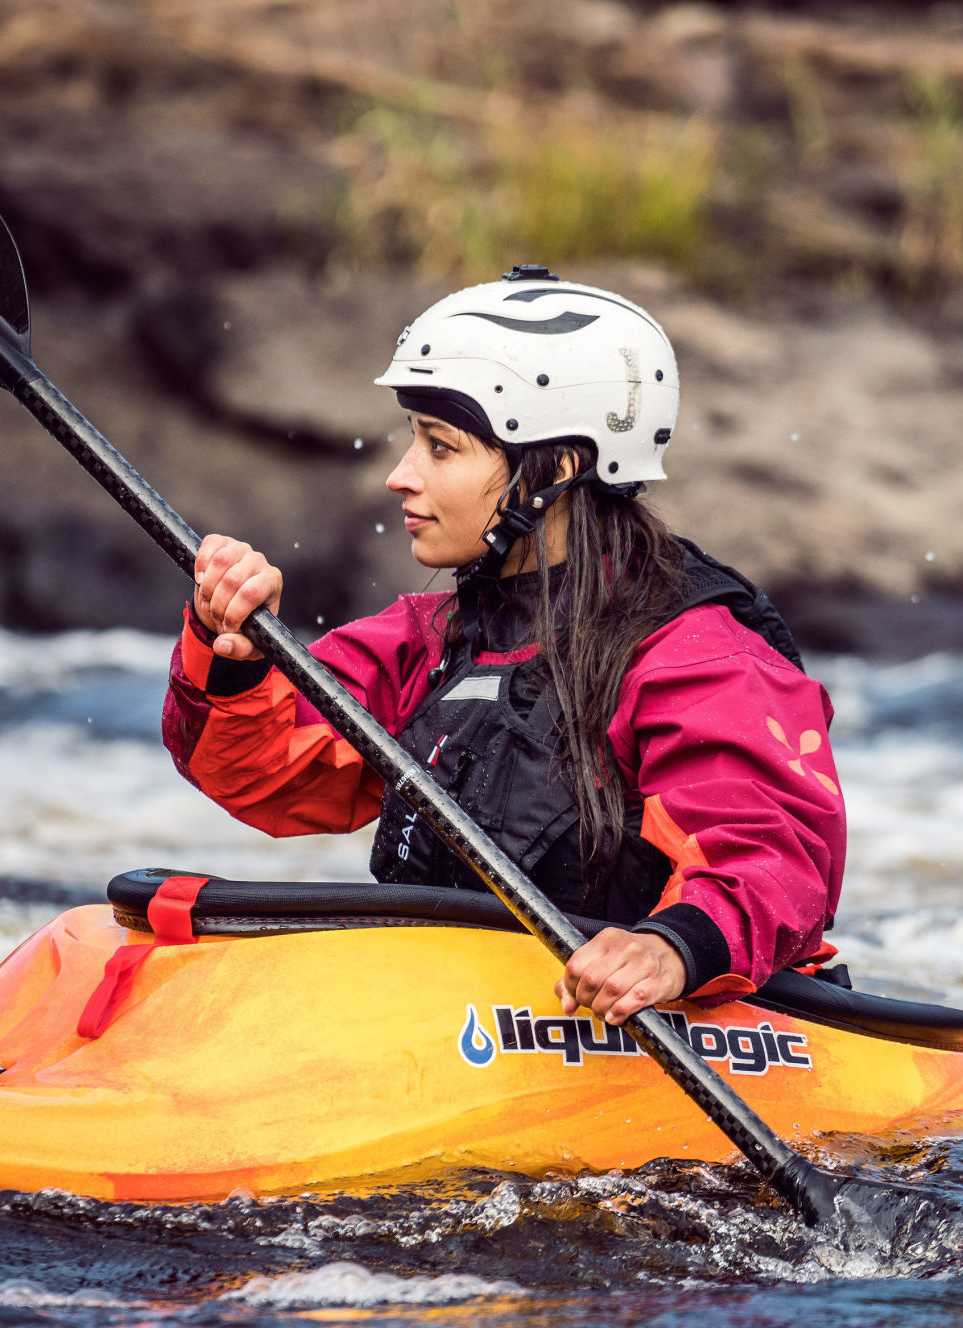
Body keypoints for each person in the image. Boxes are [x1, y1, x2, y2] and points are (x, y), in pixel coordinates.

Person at [163, 267, 843, 1029]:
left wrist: (669, 950)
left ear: (552, 469)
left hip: (645, 1028)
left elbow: (772, 854)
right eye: (411, 440)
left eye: (440, 446)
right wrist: (236, 651)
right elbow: (263, 772)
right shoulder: (429, 639)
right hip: (464, 1016)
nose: (400, 475)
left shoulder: (700, 654)